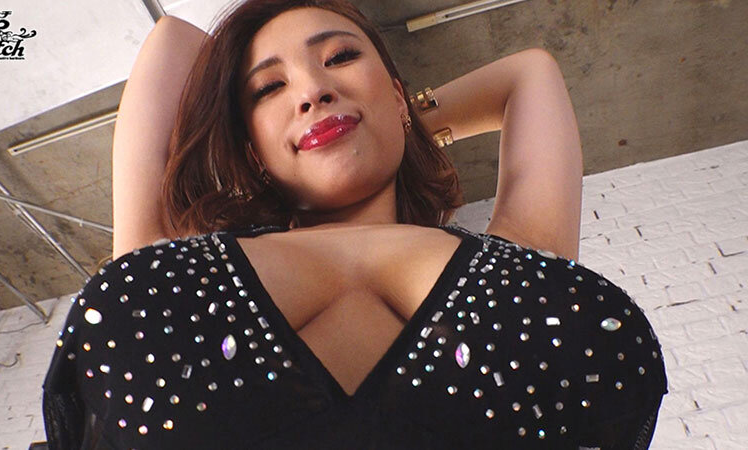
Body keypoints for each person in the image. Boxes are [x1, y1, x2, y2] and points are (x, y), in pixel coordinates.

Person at [41, 1, 668, 449]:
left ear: (398, 95)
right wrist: (339, 116)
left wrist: (387, 118)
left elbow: (528, 72)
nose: (313, 89)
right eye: (269, 88)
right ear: (251, 152)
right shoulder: (178, 259)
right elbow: (173, 38)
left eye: (340, 57)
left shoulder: (520, 246)